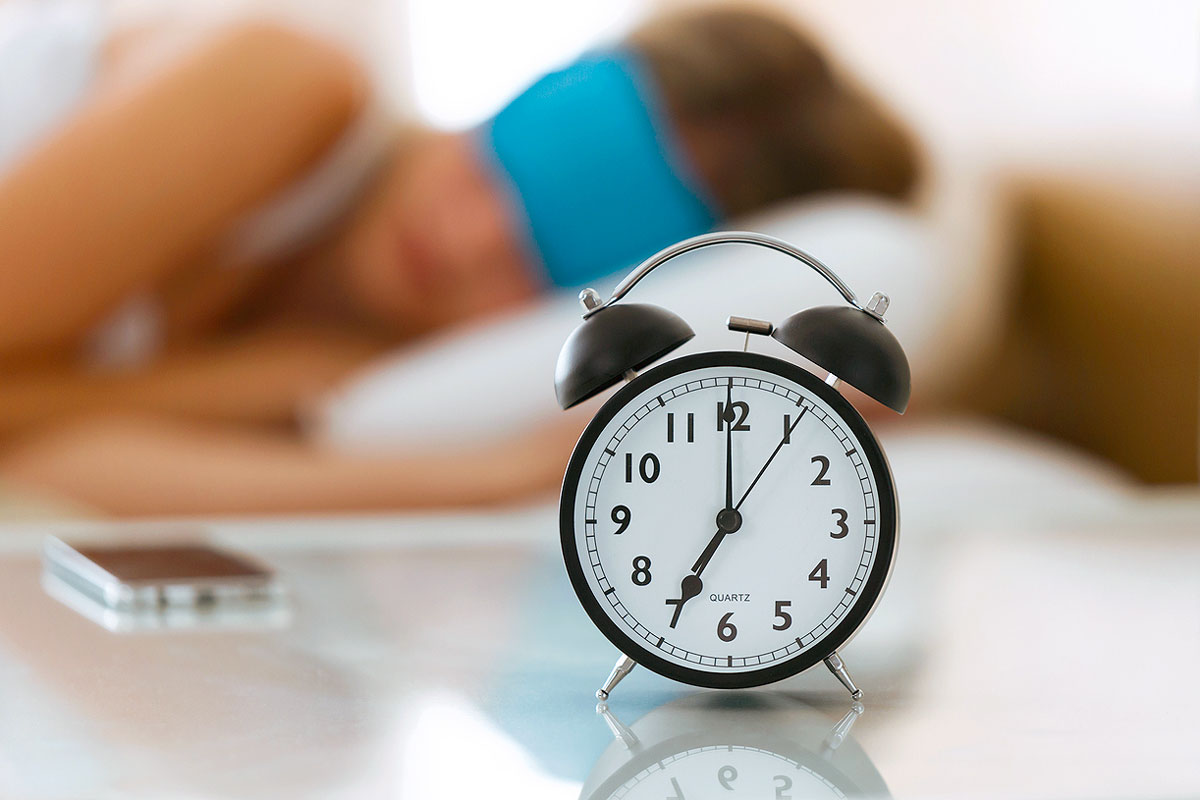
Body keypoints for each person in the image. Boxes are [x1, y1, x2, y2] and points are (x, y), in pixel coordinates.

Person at [0, 5, 920, 515]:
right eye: (516, 162)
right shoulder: (290, 90)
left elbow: (54, 468)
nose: (470, 238)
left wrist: (506, 474)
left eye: (546, 249)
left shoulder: (360, 381)